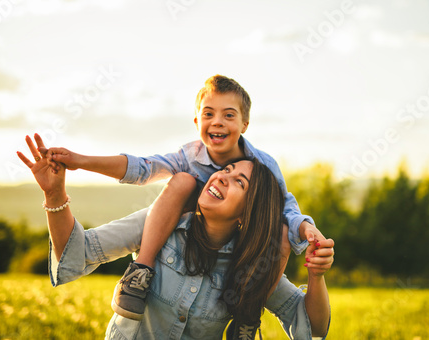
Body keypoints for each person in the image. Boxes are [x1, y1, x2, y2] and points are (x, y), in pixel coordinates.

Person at [40, 75, 327, 322]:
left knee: (282, 230)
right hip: (186, 221)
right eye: (208, 114)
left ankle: (248, 312)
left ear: (245, 124)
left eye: (229, 115)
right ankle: (142, 270)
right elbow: (144, 167)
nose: (217, 122)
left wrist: (305, 229)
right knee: (182, 181)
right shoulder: (188, 157)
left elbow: (285, 206)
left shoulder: (261, 166)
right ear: (196, 120)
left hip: (243, 236)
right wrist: (80, 161)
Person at [17, 135, 334, 340]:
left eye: (239, 181)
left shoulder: (251, 265)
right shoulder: (160, 224)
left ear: (246, 215)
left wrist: (316, 276)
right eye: (227, 169)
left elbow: (311, 327)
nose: (222, 177)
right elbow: (76, 254)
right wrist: (55, 192)